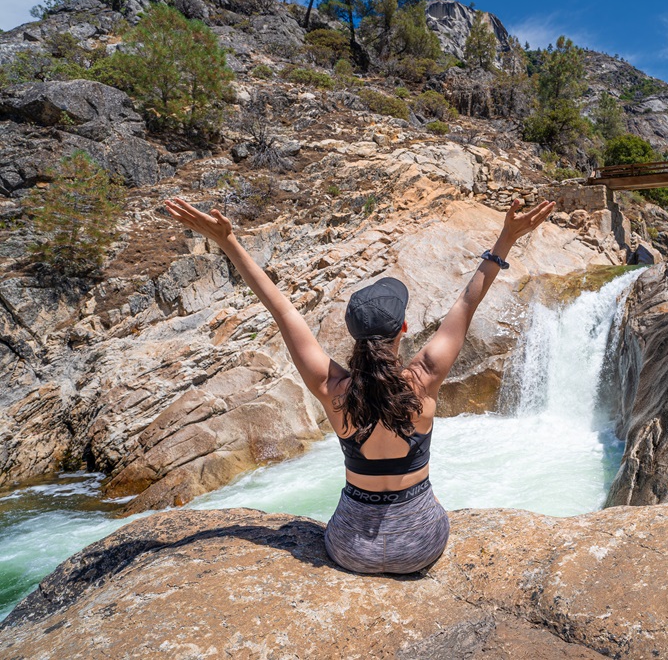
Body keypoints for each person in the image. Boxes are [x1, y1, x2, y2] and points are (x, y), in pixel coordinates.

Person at [164, 196, 556, 573]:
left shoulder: (334, 389)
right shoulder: (423, 379)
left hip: (350, 546)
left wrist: (227, 240)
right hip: (418, 544)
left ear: (353, 335)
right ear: (404, 327)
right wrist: (506, 238)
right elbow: (467, 303)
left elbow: (280, 308)